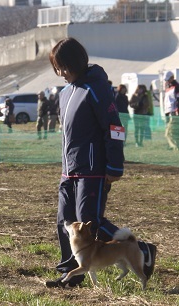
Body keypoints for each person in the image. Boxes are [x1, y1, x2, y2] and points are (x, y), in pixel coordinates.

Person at [45, 37, 156, 288]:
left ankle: (140, 250)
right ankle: (70, 273)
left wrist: (114, 166)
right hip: (69, 169)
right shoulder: (65, 93)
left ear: (76, 63)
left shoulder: (96, 88)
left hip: (93, 170)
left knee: (90, 220)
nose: (60, 73)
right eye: (57, 69)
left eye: (63, 67)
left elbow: (114, 127)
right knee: (66, 220)